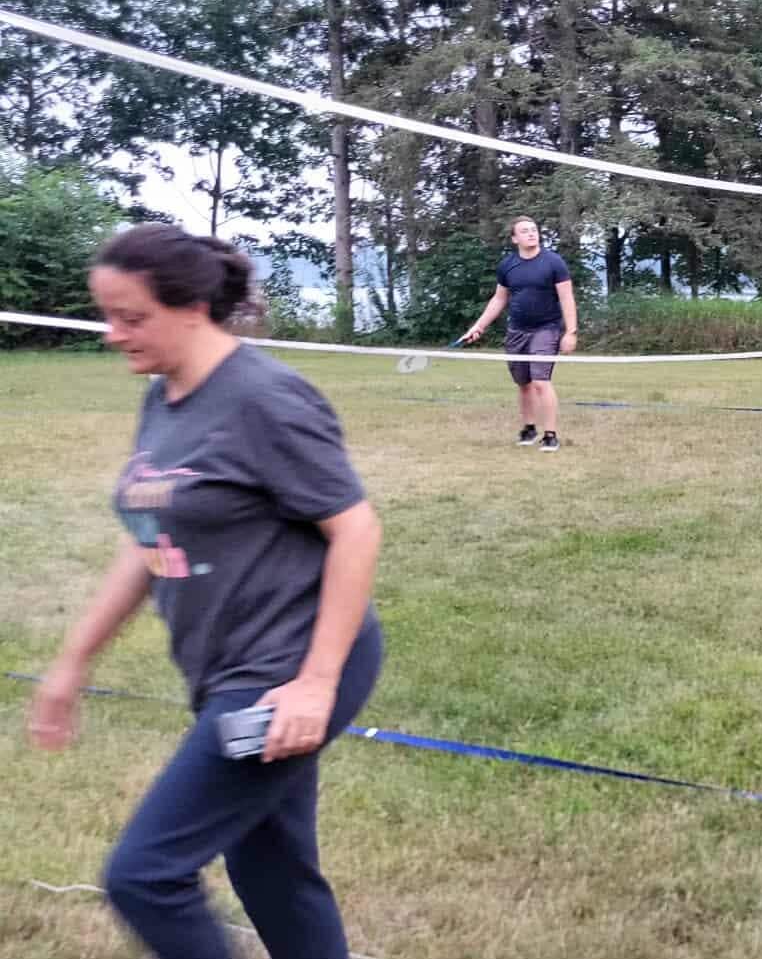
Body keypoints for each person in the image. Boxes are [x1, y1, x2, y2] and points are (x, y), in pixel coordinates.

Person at [26, 224, 384, 959]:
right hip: (228, 663)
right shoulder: (164, 395)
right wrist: (73, 662)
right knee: (271, 867)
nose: (111, 334)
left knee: (145, 874)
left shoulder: (265, 397)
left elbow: (356, 530)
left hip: (284, 669)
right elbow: (150, 537)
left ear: (191, 306)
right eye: (107, 315)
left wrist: (314, 685)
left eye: (132, 317)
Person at [461, 216, 578, 451]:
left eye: (534, 230)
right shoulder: (508, 265)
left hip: (547, 328)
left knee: (540, 381)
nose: (531, 234)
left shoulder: (554, 262)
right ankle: (529, 428)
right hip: (517, 330)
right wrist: (478, 326)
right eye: (525, 231)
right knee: (523, 383)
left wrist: (571, 332)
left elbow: (567, 298)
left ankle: (550, 435)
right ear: (515, 238)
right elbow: (499, 299)